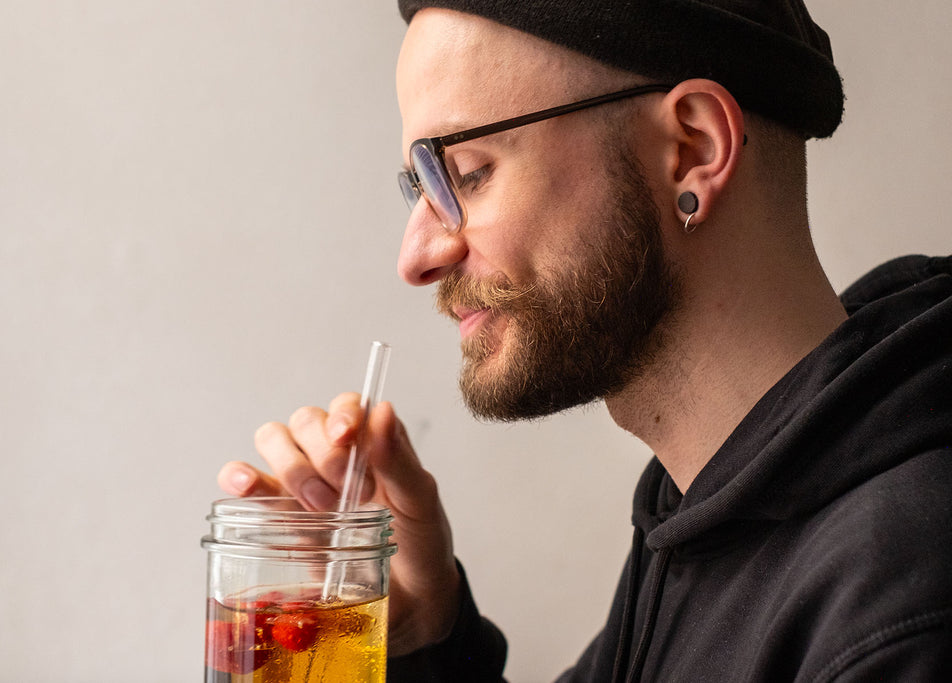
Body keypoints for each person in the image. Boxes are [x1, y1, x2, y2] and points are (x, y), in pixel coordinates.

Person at [218, 1, 952, 680]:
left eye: (465, 174)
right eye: (421, 187)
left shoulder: (898, 609)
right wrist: (427, 639)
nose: (415, 257)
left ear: (691, 147)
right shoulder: (700, 521)